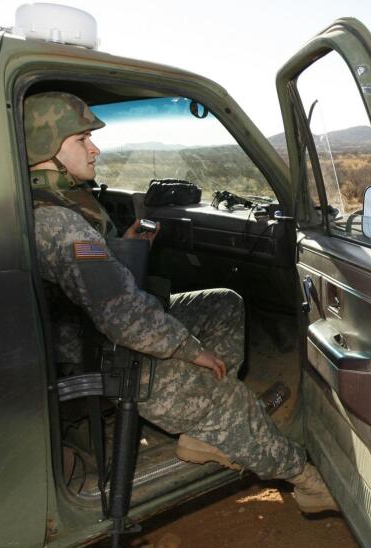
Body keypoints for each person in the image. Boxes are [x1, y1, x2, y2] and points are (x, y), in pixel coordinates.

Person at [25, 91, 337, 514]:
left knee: (224, 303)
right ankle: (306, 481)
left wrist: (125, 247)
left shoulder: (50, 204)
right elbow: (127, 320)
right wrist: (193, 351)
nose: (94, 148)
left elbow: (91, 281)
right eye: (81, 140)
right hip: (101, 354)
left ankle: (205, 432)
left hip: (92, 333)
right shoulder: (58, 222)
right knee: (232, 402)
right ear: (47, 149)